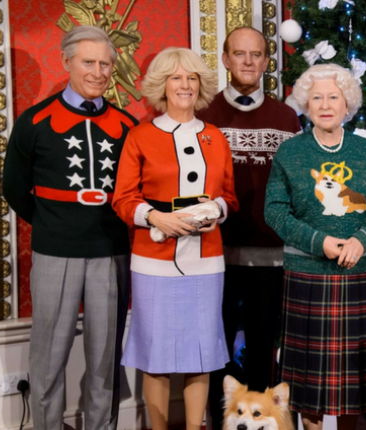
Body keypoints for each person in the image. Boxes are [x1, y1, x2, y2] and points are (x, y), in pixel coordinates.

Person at [2, 25, 136, 430]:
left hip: (110, 252)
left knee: (105, 358)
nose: (98, 72)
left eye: (105, 64)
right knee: (48, 355)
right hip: (54, 253)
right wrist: (52, 224)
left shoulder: (127, 125)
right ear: (66, 62)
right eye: (88, 62)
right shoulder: (34, 121)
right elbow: (14, 188)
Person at [264, 63, 366, 430]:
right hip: (307, 278)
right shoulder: (290, 152)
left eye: (333, 97)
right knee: (309, 391)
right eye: (317, 98)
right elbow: (274, 211)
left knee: (354, 390)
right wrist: (318, 241)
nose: (325, 105)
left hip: (361, 278)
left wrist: (362, 240)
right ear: (306, 104)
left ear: (347, 103)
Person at [111, 47, 238, 430]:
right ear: (162, 85)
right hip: (154, 262)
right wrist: (156, 218)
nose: (185, 85)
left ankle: (195, 426)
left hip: (207, 261)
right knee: (157, 356)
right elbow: (122, 198)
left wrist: (215, 211)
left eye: (192, 78)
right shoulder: (140, 136)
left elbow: (229, 197)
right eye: (176, 78)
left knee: (202, 354)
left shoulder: (215, 136)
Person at [197, 27, 302, 426]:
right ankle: (219, 422)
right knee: (215, 348)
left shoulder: (285, 117)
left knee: (262, 348)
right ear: (225, 59)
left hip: (271, 255)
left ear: (265, 61)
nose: (247, 61)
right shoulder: (204, 113)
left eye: (255, 54)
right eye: (239, 54)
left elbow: (298, 184)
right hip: (213, 254)